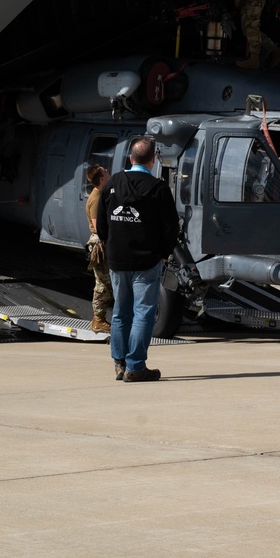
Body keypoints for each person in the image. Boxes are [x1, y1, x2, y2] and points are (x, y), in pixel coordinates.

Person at [95, 136, 179, 383]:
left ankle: (119, 363)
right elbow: (171, 227)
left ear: (131, 158)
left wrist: (111, 245)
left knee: (121, 311)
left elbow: (101, 224)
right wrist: (164, 253)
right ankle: (136, 366)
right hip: (146, 261)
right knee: (143, 312)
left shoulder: (112, 184)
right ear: (153, 160)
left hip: (118, 260)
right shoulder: (158, 188)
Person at [84, 163, 113, 333]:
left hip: (104, 242)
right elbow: (98, 226)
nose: (108, 171)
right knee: (103, 283)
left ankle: (99, 318)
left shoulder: (102, 195)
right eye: (105, 171)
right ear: (102, 178)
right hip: (100, 244)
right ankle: (98, 320)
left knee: (106, 282)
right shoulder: (96, 199)